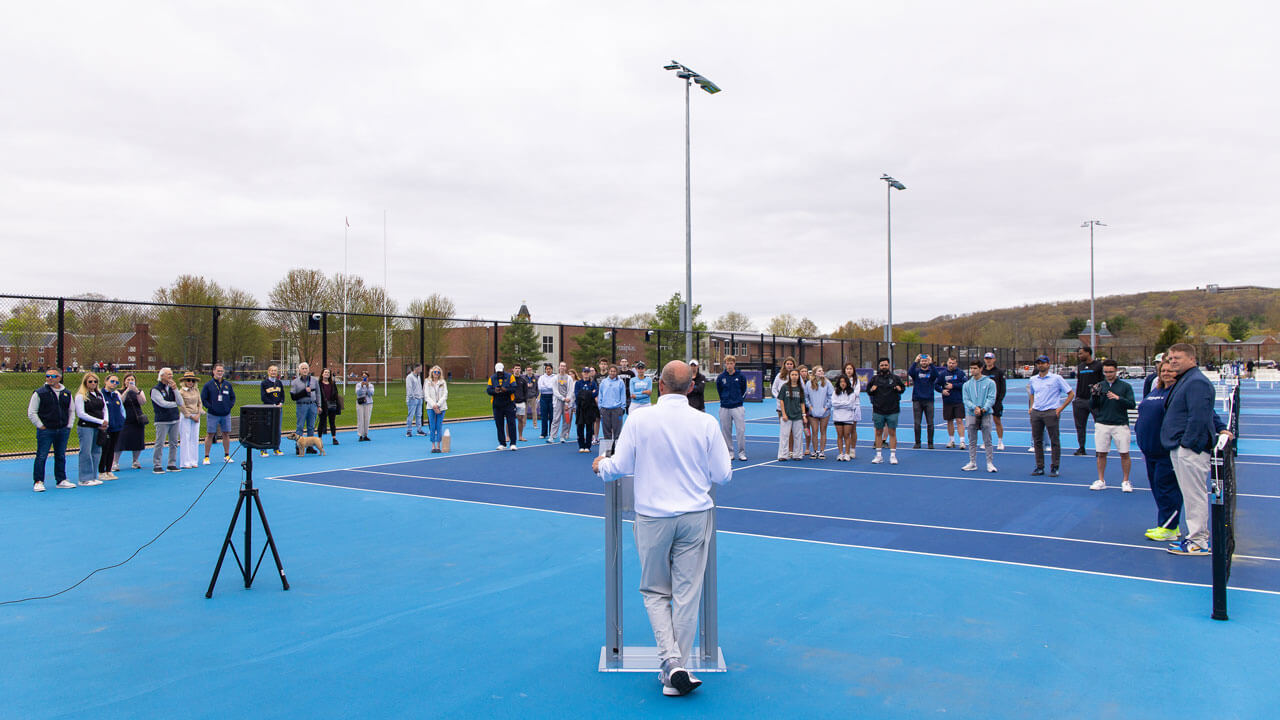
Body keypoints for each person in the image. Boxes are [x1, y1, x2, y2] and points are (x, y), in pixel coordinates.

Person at [592, 361, 732, 697]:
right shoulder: (706, 422)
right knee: (686, 594)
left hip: (654, 517)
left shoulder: (640, 418)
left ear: (660, 386)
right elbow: (723, 475)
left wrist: (601, 466)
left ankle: (671, 663)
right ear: (691, 386)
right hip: (695, 515)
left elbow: (620, 466)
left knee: (656, 592)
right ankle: (675, 667)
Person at [1162, 343, 1227, 556]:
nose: (1172, 362)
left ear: (1192, 359)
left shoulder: (1196, 382)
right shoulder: (1186, 381)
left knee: (1194, 495)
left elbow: (1199, 416)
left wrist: (1186, 444)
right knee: (1190, 495)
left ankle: (1198, 541)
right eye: (1170, 358)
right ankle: (1195, 537)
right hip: (1181, 447)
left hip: (1191, 449)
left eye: (1177, 358)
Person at [1088, 359, 1137, 492]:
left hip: (1120, 424)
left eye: (1111, 372)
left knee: (1124, 453)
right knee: (1101, 453)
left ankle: (1126, 481)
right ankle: (1101, 480)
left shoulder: (1125, 387)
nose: (1108, 374)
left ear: (1116, 371)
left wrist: (1118, 398)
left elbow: (1132, 404)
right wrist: (1094, 396)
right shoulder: (1099, 385)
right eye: (1106, 372)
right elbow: (1092, 406)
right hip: (1102, 423)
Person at [29, 368, 75, 491]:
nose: (49, 378)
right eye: (47, 376)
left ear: (59, 377)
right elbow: (32, 412)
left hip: (62, 430)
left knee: (60, 455)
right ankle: (38, 481)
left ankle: (61, 479)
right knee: (42, 455)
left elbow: (71, 411)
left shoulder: (67, 393)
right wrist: (41, 426)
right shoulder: (40, 393)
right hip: (46, 431)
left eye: (53, 376)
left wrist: (68, 426)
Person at [1027, 355, 1074, 477]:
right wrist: (1031, 407)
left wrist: (1060, 408)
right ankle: (1039, 466)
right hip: (1036, 412)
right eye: (1038, 363)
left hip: (1051, 412)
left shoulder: (1056, 378)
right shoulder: (1033, 379)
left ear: (1048, 364)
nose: (1040, 365)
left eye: (1043, 363)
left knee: (1054, 440)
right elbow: (1032, 393)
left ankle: (1055, 467)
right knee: (1037, 441)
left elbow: (1071, 394)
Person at [961, 361, 998, 473]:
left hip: (985, 414)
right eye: (971, 368)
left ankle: (989, 463)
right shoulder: (966, 384)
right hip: (971, 415)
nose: (972, 370)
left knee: (987, 440)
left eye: (975, 368)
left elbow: (991, 398)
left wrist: (983, 409)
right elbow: (966, 399)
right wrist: (974, 408)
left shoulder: (990, 383)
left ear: (981, 369)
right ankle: (972, 462)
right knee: (972, 440)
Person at [867, 357, 906, 465]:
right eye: (882, 365)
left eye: (885, 365)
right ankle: (878, 455)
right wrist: (872, 390)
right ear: (879, 367)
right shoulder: (874, 379)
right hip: (878, 410)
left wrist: (899, 389)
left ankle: (893, 456)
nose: (884, 367)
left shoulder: (895, 378)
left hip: (893, 410)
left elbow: (902, 389)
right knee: (878, 432)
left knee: (892, 432)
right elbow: (869, 391)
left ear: (889, 366)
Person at [73, 372, 108, 486]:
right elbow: (81, 413)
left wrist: (105, 421)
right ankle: (84, 478)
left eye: (95, 381)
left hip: (98, 427)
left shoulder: (99, 394)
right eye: (90, 381)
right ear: (85, 383)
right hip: (86, 427)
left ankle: (93, 476)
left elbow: (104, 409)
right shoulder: (81, 396)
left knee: (97, 451)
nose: (93, 383)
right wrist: (99, 421)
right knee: (86, 451)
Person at [906, 354, 944, 449]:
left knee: (930, 423)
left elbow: (937, 375)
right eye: (922, 361)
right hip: (917, 401)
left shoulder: (931, 372)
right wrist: (915, 361)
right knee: (917, 423)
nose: (924, 362)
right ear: (920, 362)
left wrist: (931, 364)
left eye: (925, 361)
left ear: (928, 362)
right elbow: (910, 372)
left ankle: (930, 443)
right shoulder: (916, 372)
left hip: (929, 401)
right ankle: (917, 442)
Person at [1072, 346, 1104, 456]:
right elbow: (1080, 382)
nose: (1079, 355)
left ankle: (1100, 449)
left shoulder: (1098, 365)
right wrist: (1077, 397)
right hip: (1080, 400)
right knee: (1080, 426)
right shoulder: (1080, 366)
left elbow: (1103, 383)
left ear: (1088, 353)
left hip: (1095, 400)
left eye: (1081, 353)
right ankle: (1081, 448)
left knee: (1099, 426)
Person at [715, 355, 749, 461]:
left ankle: (741, 453)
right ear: (725, 364)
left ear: (734, 364)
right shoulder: (721, 377)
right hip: (724, 407)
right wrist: (725, 400)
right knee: (726, 431)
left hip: (738, 407)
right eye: (727, 363)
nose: (729, 365)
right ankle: (729, 453)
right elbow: (719, 391)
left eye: (731, 363)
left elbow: (744, 390)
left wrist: (738, 400)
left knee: (741, 430)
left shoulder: (741, 376)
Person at [201, 363, 236, 463]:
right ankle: (206, 457)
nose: (220, 373)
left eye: (221, 371)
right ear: (213, 371)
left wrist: (229, 406)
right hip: (213, 414)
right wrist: (211, 407)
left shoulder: (227, 385)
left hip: (225, 414)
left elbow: (232, 397)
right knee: (210, 434)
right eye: (218, 371)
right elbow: (204, 399)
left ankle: (227, 455)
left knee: (226, 433)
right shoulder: (208, 385)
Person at [151, 367, 182, 473]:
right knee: (160, 443)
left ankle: (171, 463)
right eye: (168, 374)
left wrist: (175, 389)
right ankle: (157, 464)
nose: (171, 376)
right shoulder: (156, 389)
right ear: (162, 376)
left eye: (171, 374)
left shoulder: (172, 389)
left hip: (174, 419)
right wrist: (175, 404)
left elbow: (181, 402)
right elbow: (162, 403)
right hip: (162, 420)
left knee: (174, 442)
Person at [115, 373, 148, 470]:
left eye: (132, 379)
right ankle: (115, 462)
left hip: (137, 418)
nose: (130, 381)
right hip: (125, 419)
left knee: (137, 440)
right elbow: (120, 401)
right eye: (128, 379)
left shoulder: (139, 391)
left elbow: (143, 402)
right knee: (120, 441)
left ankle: (135, 461)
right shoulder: (118, 391)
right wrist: (127, 391)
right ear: (124, 381)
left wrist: (136, 391)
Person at [774, 368, 807, 461]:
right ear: (789, 376)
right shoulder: (784, 387)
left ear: (798, 376)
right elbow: (781, 401)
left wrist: (804, 415)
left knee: (798, 436)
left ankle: (797, 455)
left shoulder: (800, 388)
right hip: (786, 416)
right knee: (784, 436)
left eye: (796, 375)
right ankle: (783, 455)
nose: (794, 376)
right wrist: (783, 414)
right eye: (792, 375)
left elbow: (802, 403)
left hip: (798, 416)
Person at [487, 362, 519, 450]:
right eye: (498, 372)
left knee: (511, 423)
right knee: (499, 424)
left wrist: (506, 390)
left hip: (509, 403)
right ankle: (502, 443)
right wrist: (495, 391)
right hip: (497, 404)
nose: (499, 373)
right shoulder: (492, 378)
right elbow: (488, 390)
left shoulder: (510, 376)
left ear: (503, 370)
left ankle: (513, 443)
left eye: (500, 372)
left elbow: (514, 388)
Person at [597, 364, 627, 456]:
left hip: (616, 409)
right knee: (606, 432)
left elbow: (623, 395)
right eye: (611, 371)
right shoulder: (604, 382)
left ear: (616, 372)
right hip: (605, 409)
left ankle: (617, 452)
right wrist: (600, 406)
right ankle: (609, 451)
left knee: (617, 431)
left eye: (614, 371)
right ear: (608, 371)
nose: (612, 373)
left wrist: (622, 407)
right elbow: (600, 394)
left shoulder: (620, 382)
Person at [98, 375, 124, 479]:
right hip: (106, 427)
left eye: (116, 382)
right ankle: (101, 471)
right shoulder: (101, 394)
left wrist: (121, 420)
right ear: (106, 381)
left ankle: (109, 470)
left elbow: (121, 409)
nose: (114, 383)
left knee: (112, 449)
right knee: (105, 449)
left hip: (116, 427)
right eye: (112, 381)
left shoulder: (116, 395)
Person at [290, 362, 320, 451]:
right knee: (300, 426)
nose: (304, 370)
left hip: (312, 405)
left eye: (306, 368)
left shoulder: (314, 380)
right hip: (301, 406)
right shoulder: (295, 382)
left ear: (308, 370)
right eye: (302, 368)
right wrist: (304, 392)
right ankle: (298, 446)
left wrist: (319, 405)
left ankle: (310, 446)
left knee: (311, 427)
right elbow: (293, 397)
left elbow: (318, 394)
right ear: (299, 370)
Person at [981, 353, 1007, 450]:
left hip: (995, 402)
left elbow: (1003, 388)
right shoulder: (981, 371)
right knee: (984, 423)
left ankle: (1000, 442)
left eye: (990, 359)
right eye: (987, 358)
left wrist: (999, 400)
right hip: (983, 401)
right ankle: (985, 441)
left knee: (997, 421)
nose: (988, 360)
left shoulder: (999, 372)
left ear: (994, 359)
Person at [805, 365, 832, 459]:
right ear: (815, 373)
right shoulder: (808, 384)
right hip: (813, 413)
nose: (822, 372)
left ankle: (822, 451)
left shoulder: (827, 383)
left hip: (825, 412)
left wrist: (826, 408)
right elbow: (806, 397)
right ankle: (815, 450)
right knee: (814, 431)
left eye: (822, 371)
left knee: (823, 431)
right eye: (819, 371)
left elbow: (831, 396)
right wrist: (810, 407)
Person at [939, 357, 967, 449]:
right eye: (950, 363)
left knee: (959, 420)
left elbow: (965, 385)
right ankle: (951, 440)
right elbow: (936, 385)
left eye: (953, 363)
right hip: (947, 401)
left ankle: (962, 441)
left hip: (958, 400)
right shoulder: (943, 374)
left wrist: (953, 386)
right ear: (947, 363)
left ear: (956, 364)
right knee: (949, 421)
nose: (951, 365)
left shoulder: (960, 373)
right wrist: (942, 391)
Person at [831, 374, 860, 461]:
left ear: (847, 383)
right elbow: (834, 404)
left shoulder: (852, 393)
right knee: (839, 435)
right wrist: (844, 403)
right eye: (841, 382)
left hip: (848, 417)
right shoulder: (835, 392)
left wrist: (840, 404)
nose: (842, 383)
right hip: (837, 417)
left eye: (844, 382)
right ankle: (840, 453)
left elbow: (850, 405)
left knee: (847, 435)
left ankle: (847, 453)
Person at [178, 371, 204, 469]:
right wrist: (190, 416)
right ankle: (185, 462)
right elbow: (182, 405)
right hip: (186, 417)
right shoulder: (181, 392)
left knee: (194, 438)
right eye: (188, 380)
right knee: (185, 438)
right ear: (184, 381)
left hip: (196, 416)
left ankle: (194, 460)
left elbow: (200, 403)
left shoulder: (196, 390)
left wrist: (198, 414)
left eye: (192, 380)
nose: (190, 382)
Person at [259, 365, 286, 456]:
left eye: (275, 371)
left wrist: (281, 403)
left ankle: (276, 448)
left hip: (278, 410)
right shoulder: (264, 383)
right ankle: (263, 449)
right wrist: (273, 404)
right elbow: (263, 397)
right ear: (268, 372)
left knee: (277, 429)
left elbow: (282, 395)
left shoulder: (279, 382)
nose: (273, 372)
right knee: (266, 428)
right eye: (272, 371)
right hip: (268, 409)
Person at [574, 367, 600, 453]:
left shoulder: (593, 383)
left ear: (589, 373)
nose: (586, 373)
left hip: (590, 408)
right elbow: (578, 394)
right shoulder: (578, 383)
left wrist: (584, 394)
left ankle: (588, 446)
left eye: (587, 372)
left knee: (589, 427)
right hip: (580, 408)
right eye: (584, 372)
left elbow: (595, 393)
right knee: (580, 427)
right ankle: (581, 446)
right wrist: (589, 393)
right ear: (582, 373)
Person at [424, 366, 449, 452]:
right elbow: (426, 395)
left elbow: (445, 395)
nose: (436, 374)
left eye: (438, 372)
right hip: (430, 408)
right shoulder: (427, 382)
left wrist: (438, 405)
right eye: (435, 372)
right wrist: (434, 405)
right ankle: (433, 446)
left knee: (439, 426)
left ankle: (438, 446)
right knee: (432, 426)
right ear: (432, 372)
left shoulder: (443, 382)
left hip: (441, 407)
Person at [549, 361, 574, 444]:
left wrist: (567, 401)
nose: (562, 367)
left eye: (564, 366)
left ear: (566, 368)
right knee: (556, 419)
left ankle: (563, 436)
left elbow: (570, 390)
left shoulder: (569, 378)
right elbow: (555, 391)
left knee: (566, 420)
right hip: (558, 401)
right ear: (559, 367)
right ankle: (552, 436)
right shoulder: (555, 378)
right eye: (561, 366)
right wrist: (563, 398)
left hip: (567, 402)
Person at [317, 367, 343, 445]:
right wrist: (319, 405)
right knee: (322, 422)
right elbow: (318, 395)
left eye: (328, 373)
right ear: (322, 374)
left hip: (332, 405)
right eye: (325, 372)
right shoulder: (319, 384)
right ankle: (319, 438)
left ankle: (334, 438)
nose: (327, 374)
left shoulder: (332, 384)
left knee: (332, 422)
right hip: (323, 405)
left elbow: (336, 393)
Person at [841, 362, 863, 454]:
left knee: (853, 429)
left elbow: (856, 393)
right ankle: (846, 450)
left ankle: (852, 449)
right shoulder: (841, 381)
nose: (849, 370)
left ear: (853, 370)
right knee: (844, 430)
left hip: (854, 406)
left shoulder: (856, 381)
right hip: (843, 408)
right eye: (847, 369)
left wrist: (848, 397)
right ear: (844, 370)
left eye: (850, 369)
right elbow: (839, 393)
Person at [405, 365, 426, 437]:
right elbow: (409, 388)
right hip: (412, 399)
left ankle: (419, 430)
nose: (421, 369)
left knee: (419, 415)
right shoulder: (409, 377)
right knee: (410, 415)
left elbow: (420, 387)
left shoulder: (419, 377)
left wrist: (421, 396)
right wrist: (413, 397)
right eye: (420, 368)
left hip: (419, 398)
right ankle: (409, 431)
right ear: (416, 368)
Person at [510, 364, 529, 442]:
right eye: (516, 368)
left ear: (520, 370)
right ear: (513, 369)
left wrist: (524, 400)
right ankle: (508, 437)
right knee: (510, 420)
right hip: (511, 403)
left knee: (520, 420)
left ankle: (520, 436)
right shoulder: (510, 379)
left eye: (518, 368)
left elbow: (526, 391)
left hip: (521, 403)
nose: (517, 370)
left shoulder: (523, 380)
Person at [537, 363, 556, 439]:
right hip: (543, 397)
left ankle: (552, 433)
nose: (548, 370)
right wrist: (549, 387)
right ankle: (543, 433)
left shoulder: (555, 377)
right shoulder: (541, 377)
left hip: (552, 397)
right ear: (545, 370)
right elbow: (540, 388)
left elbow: (554, 388)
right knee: (544, 416)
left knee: (552, 416)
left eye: (549, 369)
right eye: (547, 369)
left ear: (552, 369)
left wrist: (546, 386)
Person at [355, 372, 375, 441]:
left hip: (368, 403)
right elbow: (358, 393)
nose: (364, 378)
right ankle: (360, 435)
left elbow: (371, 394)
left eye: (366, 377)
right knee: (360, 419)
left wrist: (367, 387)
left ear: (368, 378)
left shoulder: (371, 385)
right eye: (363, 377)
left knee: (367, 419)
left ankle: (365, 434)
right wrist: (361, 386)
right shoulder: (358, 385)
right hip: (360, 403)